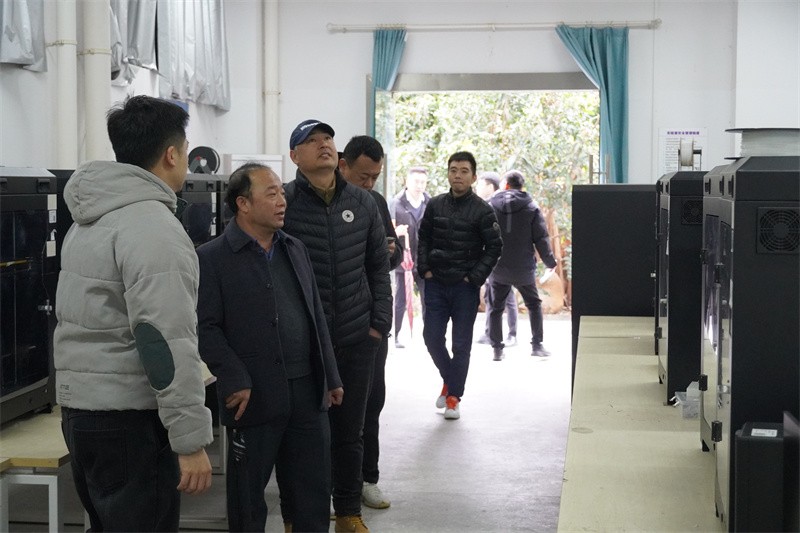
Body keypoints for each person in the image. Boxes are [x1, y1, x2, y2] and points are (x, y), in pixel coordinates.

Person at [54, 95, 213, 531]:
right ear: (172, 154)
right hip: (130, 421)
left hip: (82, 415)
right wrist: (189, 439)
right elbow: (163, 340)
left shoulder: (89, 219)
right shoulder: (153, 227)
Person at [196, 163, 344, 532]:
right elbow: (204, 327)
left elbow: (315, 315)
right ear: (243, 203)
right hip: (252, 394)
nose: (282, 201)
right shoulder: (211, 258)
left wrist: (330, 375)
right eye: (271, 193)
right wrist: (233, 376)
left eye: (282, 192)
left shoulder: (294, 248)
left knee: (313, 493)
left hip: (307, 391)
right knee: (247, 501)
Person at [283, 120, 392, 533]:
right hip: (304, 344)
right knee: (302, 437)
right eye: (311, 141)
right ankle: (297, 518)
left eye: (327, 138)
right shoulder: (284, 202)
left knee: (350, 433)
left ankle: (348, 514)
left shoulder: (364, 203)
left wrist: (377, 325)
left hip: (355, 337)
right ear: (295, 156)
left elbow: (378, 268)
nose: (323, 145)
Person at [338, 136, 401, 511]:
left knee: (371, 401)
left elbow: (392, 259)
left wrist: (389, 252)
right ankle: (333, 484)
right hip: (332, 323)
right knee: (333, 407)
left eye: (375, 177)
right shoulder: (316, 204)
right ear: (343, 165)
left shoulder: (375, 202)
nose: (369, 184)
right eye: (364, 176)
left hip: (370, 323)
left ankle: (367, 479)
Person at [417, 151, 502, 420]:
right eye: (453, 170)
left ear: (473, 177)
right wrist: (425, 270)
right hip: (436, 283)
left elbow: (495, 247)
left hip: (465, 288)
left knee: (461, 345)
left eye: (464, 171)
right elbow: (424, 238)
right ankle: (450, 380)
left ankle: (453, 397)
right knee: (431, 338)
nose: (458, 175)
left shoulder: (483, 210)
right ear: (448, 174)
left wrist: (474, 278)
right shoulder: (435, 205)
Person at [488, 170, 558, 361]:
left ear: (505, 185)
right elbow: (541, 238)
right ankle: (536, 345)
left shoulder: (491, 205)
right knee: (534, 305)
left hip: (498, 266)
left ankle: (497, 350)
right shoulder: (531, 207)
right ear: (521, 186)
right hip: (523, 267)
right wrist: (550, 262)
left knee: (496, 308)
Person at [475, 171, 518, 347]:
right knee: (491, 297)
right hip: (492, 258)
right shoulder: (488, 204)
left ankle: (512, 334)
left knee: (508, 297)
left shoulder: (499, 204)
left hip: (502, 258)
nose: (477, 188)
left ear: (489, 186)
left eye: (480, 184)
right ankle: (490, 332)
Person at [390, 167, 430, 349]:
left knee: (428, 299)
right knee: (400, 300)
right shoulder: (396, 203)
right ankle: (395, 335)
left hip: (424, 261)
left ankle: (430, 336)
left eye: (423, 182)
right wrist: (396, 232)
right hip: (403, 262)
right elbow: (388, 230)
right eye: (416, 181)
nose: (419, 185)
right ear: (407, 182)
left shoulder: (429, 203)